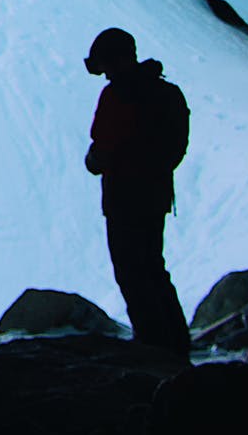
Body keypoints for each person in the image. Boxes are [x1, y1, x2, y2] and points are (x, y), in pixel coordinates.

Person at [82, 27, 192, 354]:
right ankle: (175, 342)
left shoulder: (117, 97)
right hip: (155, 196)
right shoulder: (166, 93)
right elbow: (175, 148)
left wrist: (100, 159)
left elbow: (99, 153)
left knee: (132, 273)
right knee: (153, 269)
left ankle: (152, 344)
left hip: (122, 199)